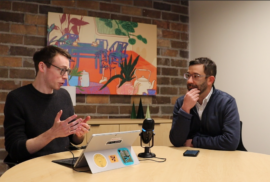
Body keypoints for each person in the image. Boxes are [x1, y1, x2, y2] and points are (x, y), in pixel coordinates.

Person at [4, 46, 90, 165]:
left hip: (63, 163)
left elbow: (74, 141)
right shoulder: (17, 98)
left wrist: (78, 134)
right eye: (62, 70)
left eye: (67, 71)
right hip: (32, 166)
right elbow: (15, 149)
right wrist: (52, 134)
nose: (65, 76)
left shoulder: (64, 95)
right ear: (42, 67)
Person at [169, 57, 240, 150]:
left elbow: (231, 142)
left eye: (196, 76)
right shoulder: (182, 102)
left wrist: (195, 142)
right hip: (190, 159)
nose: (189, 81)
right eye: (188, 75)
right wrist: (185, 110)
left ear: (210, 80)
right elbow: (176, 141)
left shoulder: (226, 102)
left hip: (220, 159)